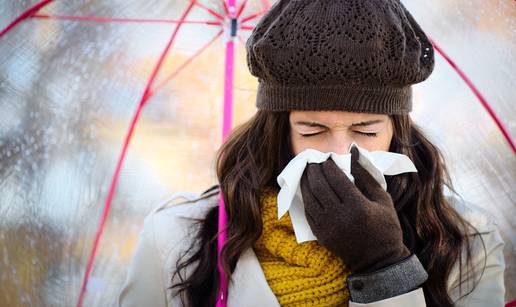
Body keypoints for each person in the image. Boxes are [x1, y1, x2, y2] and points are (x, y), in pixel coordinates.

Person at [117, 0, 506, 306]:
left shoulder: (466, 241)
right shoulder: (177, 236)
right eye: (312, 130)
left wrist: (385, 266)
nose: (339, 152)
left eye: (366, 131)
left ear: (396, 131)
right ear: (277, 133)